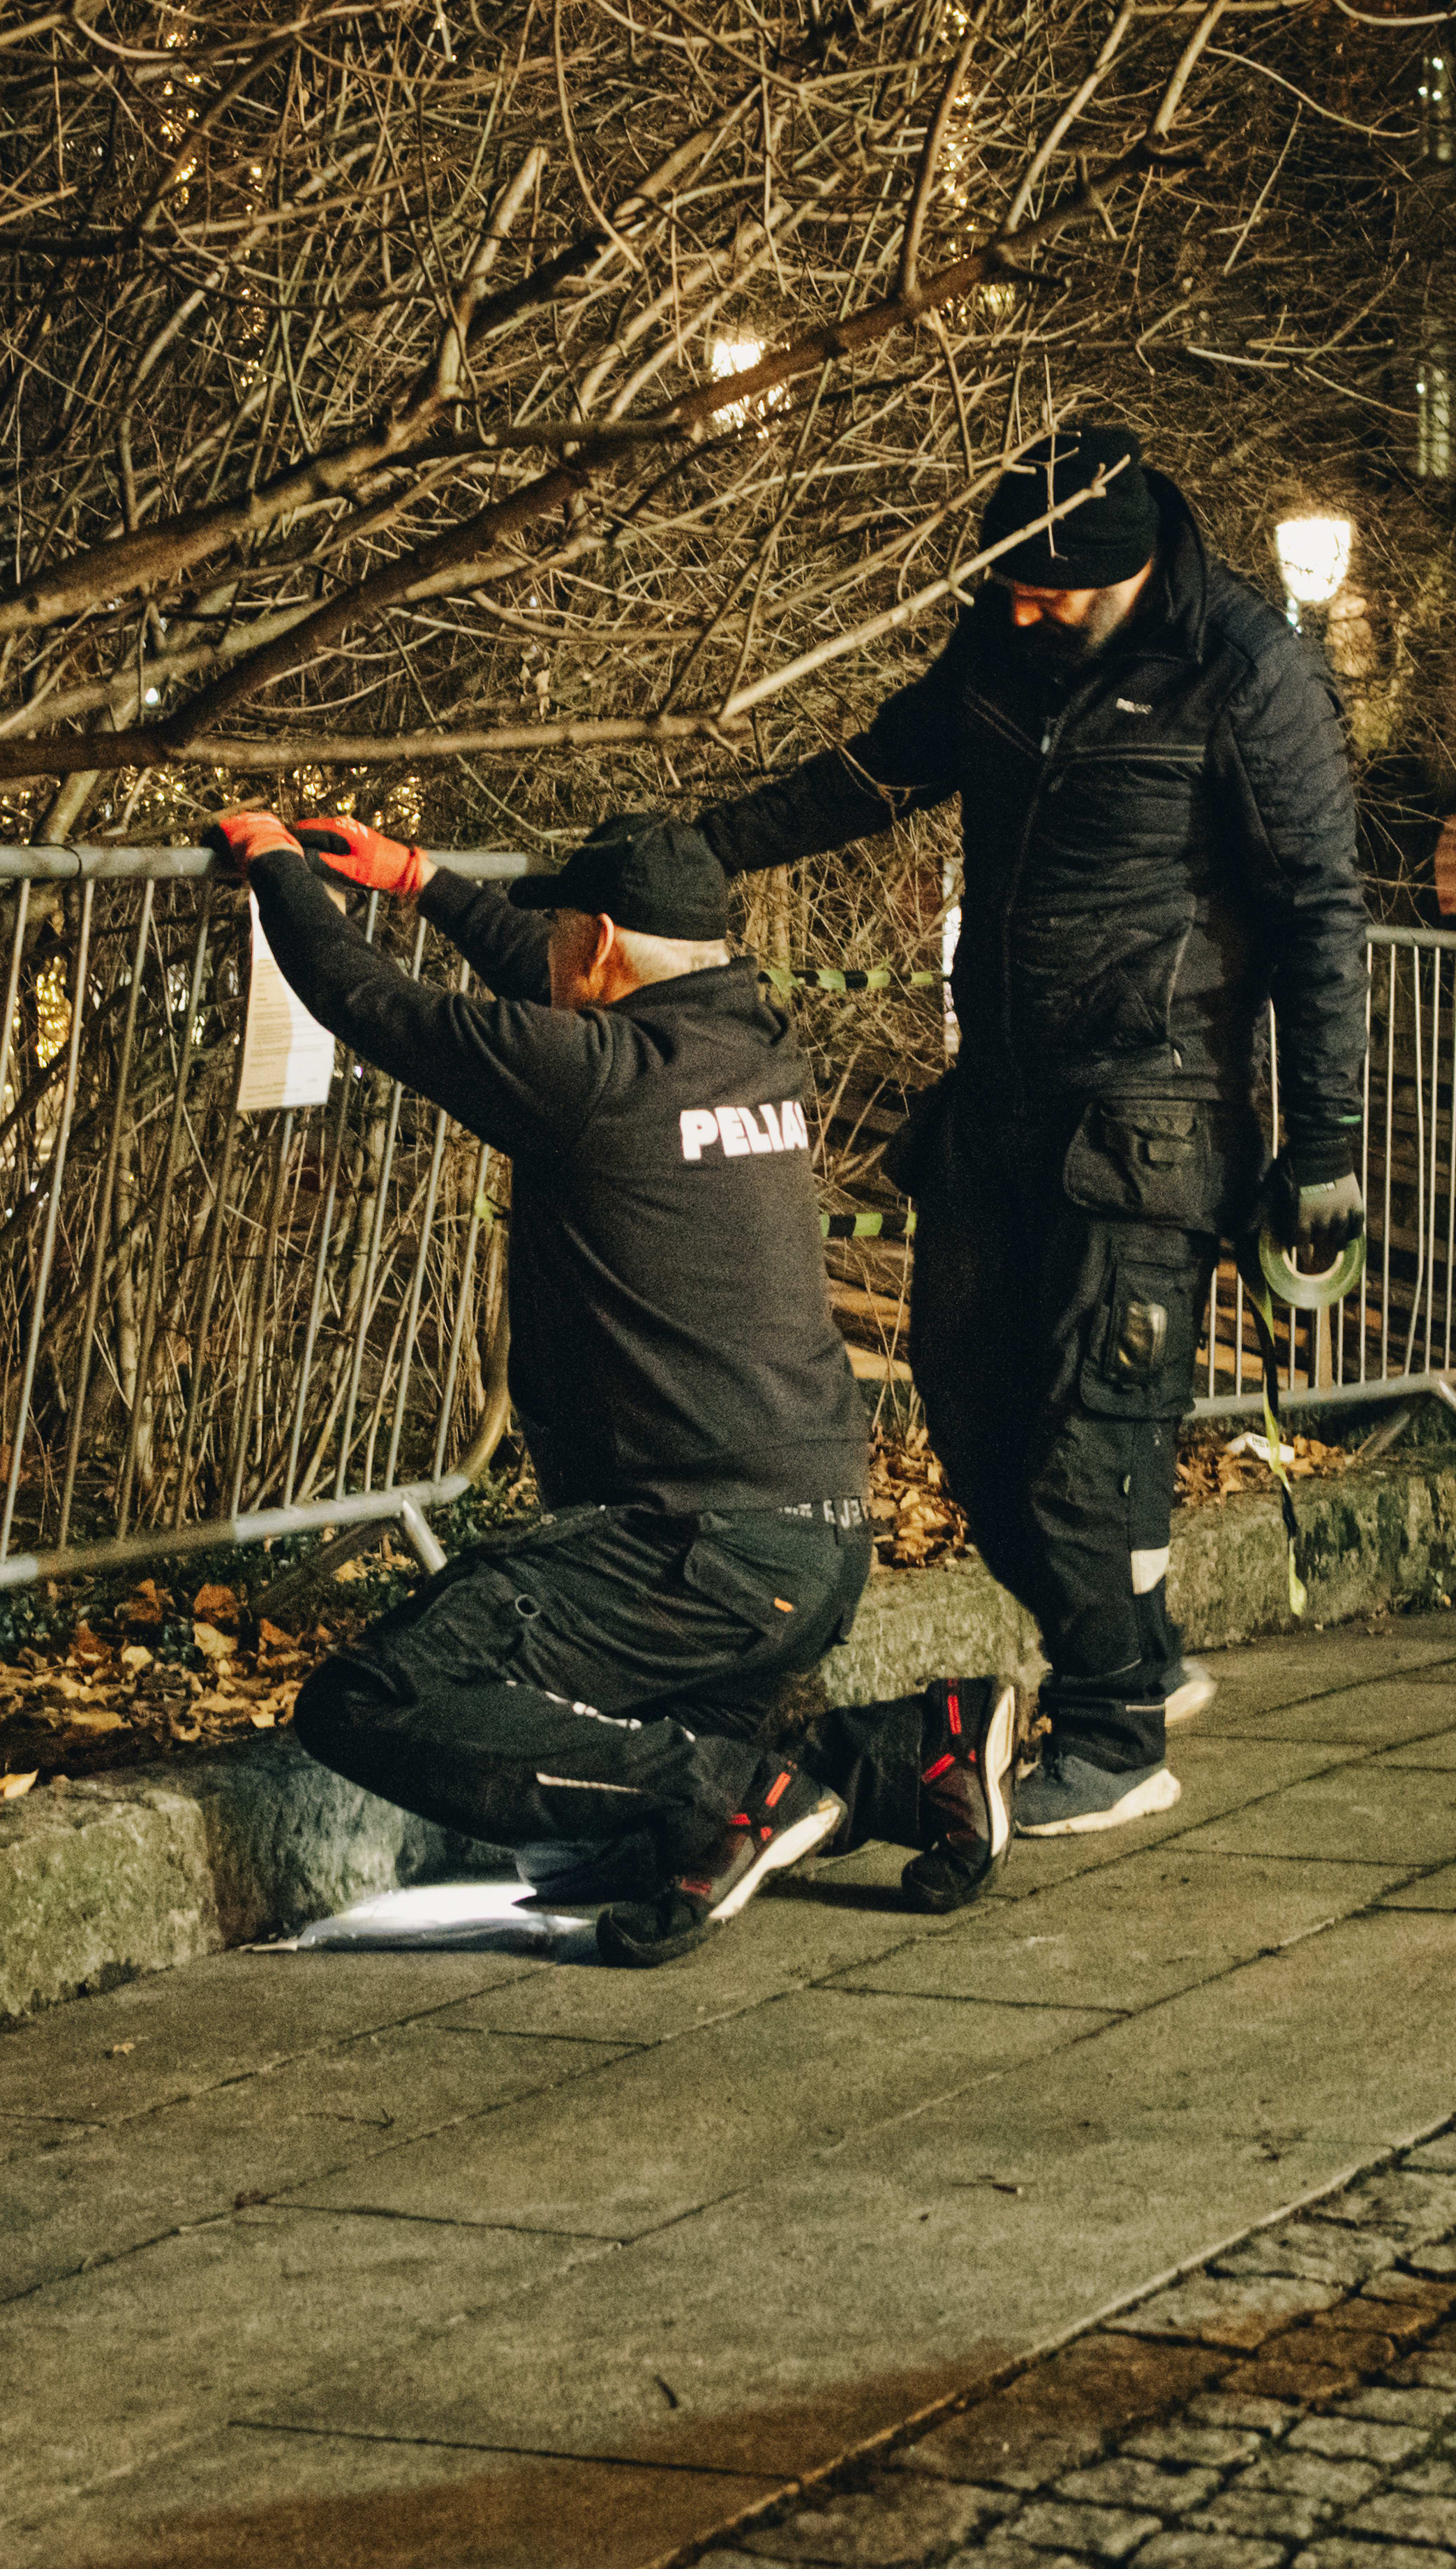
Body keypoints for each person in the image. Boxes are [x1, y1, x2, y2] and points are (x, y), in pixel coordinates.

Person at [683, 422, 1369, 1837]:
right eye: (1003, 584)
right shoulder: (998, 649)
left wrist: (1324, 1147)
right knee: (966, 1403)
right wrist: (685, 854)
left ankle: (1113, 1730)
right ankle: (1138, 1656)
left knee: (1086, 1441)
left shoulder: (1241, 669)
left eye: (1043, 588)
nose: (1015, 608)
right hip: (993, 1102)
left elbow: (1317, 914)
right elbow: (871, 774)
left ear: (1118, 574)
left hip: (1150, 1115)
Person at [221, 804, 1025, 1961]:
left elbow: (374, 1006)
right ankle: (914, 1756)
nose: (544, 965)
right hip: (814, 1547)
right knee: (601, 1845)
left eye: (563, 943)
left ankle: (729, 1800)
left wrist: (280, 868)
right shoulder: (753, 1039)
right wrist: (423, 883)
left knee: (374, 1699)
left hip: (688, 1553)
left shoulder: (595, 1079)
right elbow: (558, 972)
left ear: (600, 942)